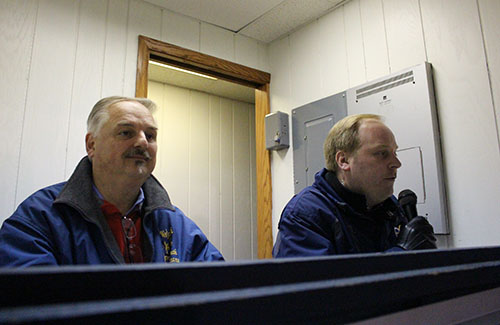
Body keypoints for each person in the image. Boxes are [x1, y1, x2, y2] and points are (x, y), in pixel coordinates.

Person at [0, 96, 223, 266]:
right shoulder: (40, 217)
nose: (143, 143)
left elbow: (219, 290)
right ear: (92, 145)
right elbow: (28, 304)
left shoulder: (176, 224)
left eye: (151, 135)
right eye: (126, 133)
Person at [273, 114, 436, 258]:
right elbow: (320, 289)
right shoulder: (305, 214)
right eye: (382, 153)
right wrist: (401, 255)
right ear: (343, 161)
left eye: (395, 153)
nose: (396, 163)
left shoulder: (390, 206)